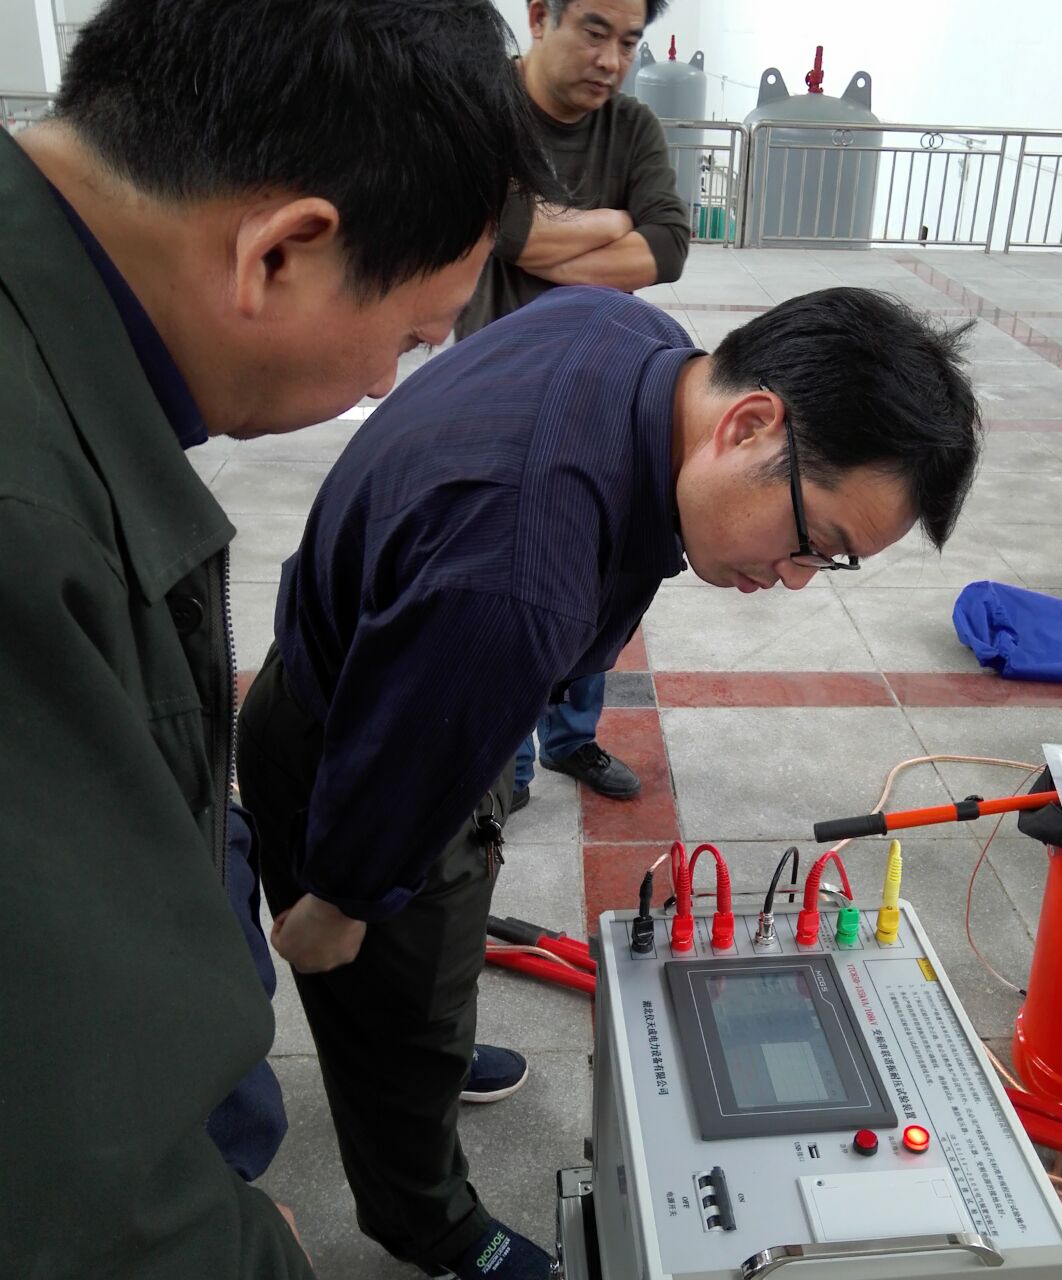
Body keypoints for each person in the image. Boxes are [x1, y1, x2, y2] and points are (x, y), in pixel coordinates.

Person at [236, 284, 982, 1280]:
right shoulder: (516, 572)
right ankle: (430, 1221)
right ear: (749, 423)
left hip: (418, 680)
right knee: (384, 993)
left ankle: (433, 1048)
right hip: (362, 745)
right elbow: (399, 777)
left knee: (434, 962)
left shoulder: (633, 339)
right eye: (816, 542)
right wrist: (339, 898)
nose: (796, 578)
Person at [0, 1, 554, 1275]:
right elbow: (76, 1191)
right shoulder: (29, 525)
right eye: (407, 337)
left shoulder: (66, 365)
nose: (385, 385)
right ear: (282, 252)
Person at [456, 0, 689, 813]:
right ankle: (506, 762)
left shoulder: (632, 128)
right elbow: (505, 231)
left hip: (602, 386)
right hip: (495, 387)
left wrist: (547, 238)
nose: (611, 60)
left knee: (598, 577)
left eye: (628, 42)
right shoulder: (482, 106)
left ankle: (570, 739)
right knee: (504, 587)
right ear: (539, 14)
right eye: (593, 31)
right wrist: (615, 224)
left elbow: (669, 246)